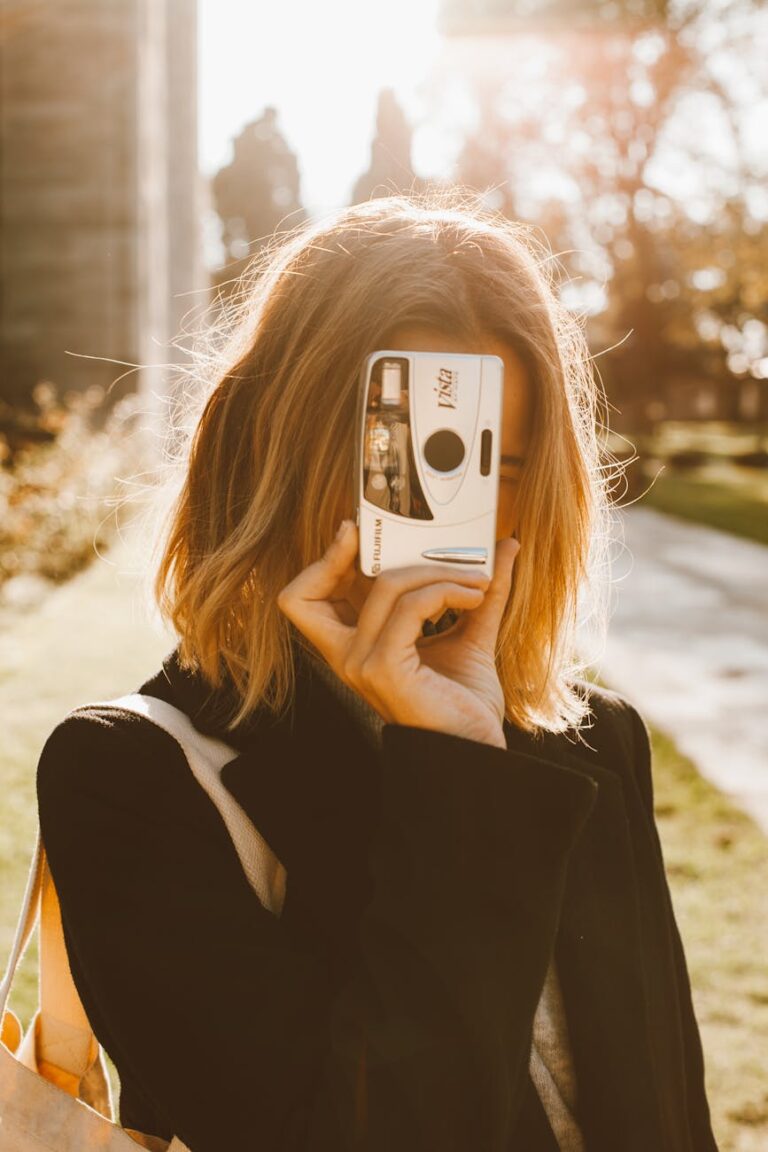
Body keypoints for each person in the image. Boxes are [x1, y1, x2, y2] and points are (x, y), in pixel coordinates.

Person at [35, 193, 718, 1152]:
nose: (448, 509)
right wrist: (456, 774)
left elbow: (667, 1111)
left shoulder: (596, 741)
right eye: (390, 456)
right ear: (271, 444)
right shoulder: (134, 777)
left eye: (496, 463)